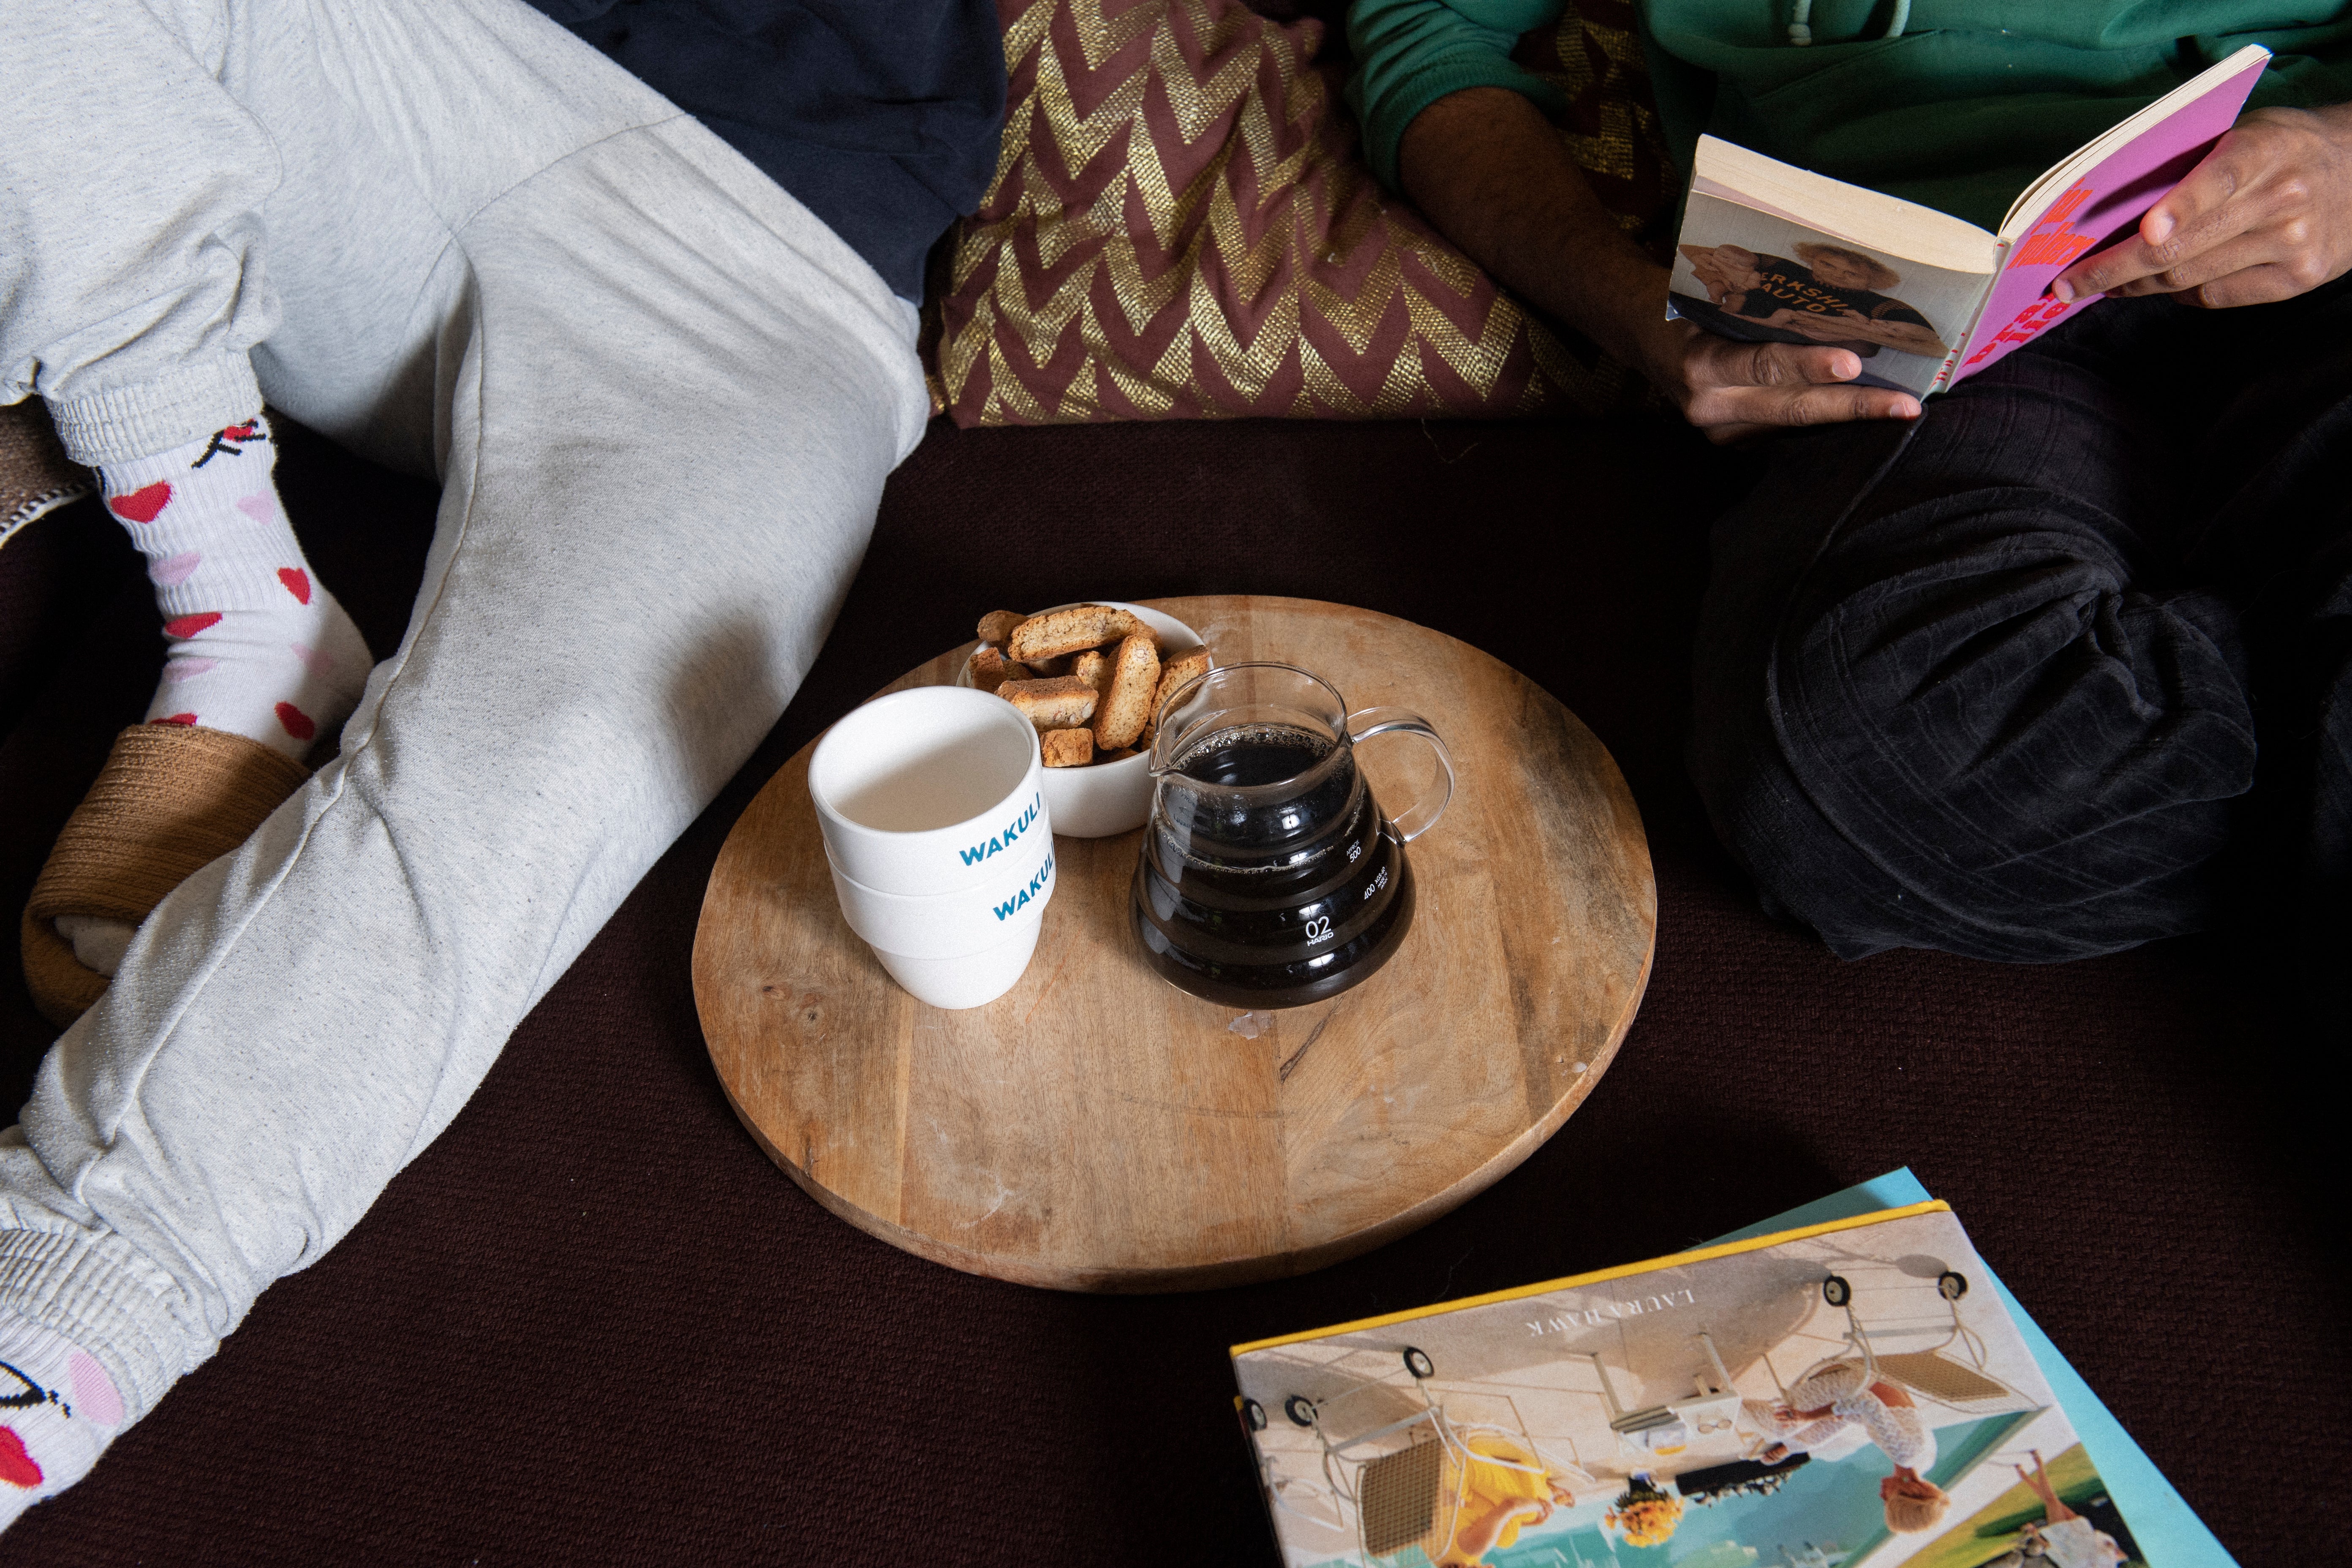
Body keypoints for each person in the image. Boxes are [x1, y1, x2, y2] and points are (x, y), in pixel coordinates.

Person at [0, 0, 1002, 1530]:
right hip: (400, 62)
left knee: (579, 739)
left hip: (772, 254)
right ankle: (242, 600)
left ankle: (56, 1323)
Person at [1344, 0, 2352, 986]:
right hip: (1938, 319)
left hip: (2320, 242)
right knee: (1843, 771)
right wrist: (1632, 311)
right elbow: (1427, 29)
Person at [1742, 1362, 1951, 1535]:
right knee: (1779, 1427)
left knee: (1816, 1439)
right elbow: (1866, 1403)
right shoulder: (1904, 1454)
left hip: (1870, 1387)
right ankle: (1732, 1405)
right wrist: (1808, 1417)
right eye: (1888, 1501)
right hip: (1856, 1383)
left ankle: (1790, 1447)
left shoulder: (1923, 1461)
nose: (1881, 1497)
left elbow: (1878, 1412)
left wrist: (1831, 1416)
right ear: (1905, 1491)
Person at [1676, 243, 1952, 360]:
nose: (1837, 275)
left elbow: (1935, 348)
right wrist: (1722, 274)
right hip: (1716, 328)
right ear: (1812, 259)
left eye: (1851, 274)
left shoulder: (1879, 305)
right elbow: (1690, 249)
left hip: (1800, 354)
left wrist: (1851, 329)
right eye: (1827, 265)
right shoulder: (1784, 267)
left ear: (1871, 281)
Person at [1434, 1433, 1577, 1565]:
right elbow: (1475, 1521)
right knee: (1507, 1534)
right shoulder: (1442, 1561)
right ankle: (1541, 1489)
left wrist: (1542, 1506)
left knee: (1526, 1513)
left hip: (1459, 1461)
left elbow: (1511, 1505)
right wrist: (1530, 1524)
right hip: (1442, 1479)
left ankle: (1550, 1494)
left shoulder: (1474, 1548)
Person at [2010, 1449, 2130, 1568]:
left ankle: (2039, 1463)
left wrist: (2035, 1535)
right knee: (2052, 1500)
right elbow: (2119, 1553)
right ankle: (2024, 1476)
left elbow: (2055, 1554)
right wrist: (2111, 1548)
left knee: (2051, 1500)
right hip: (2083, 1531)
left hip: (2064, 1534)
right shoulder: (2110, 1566)